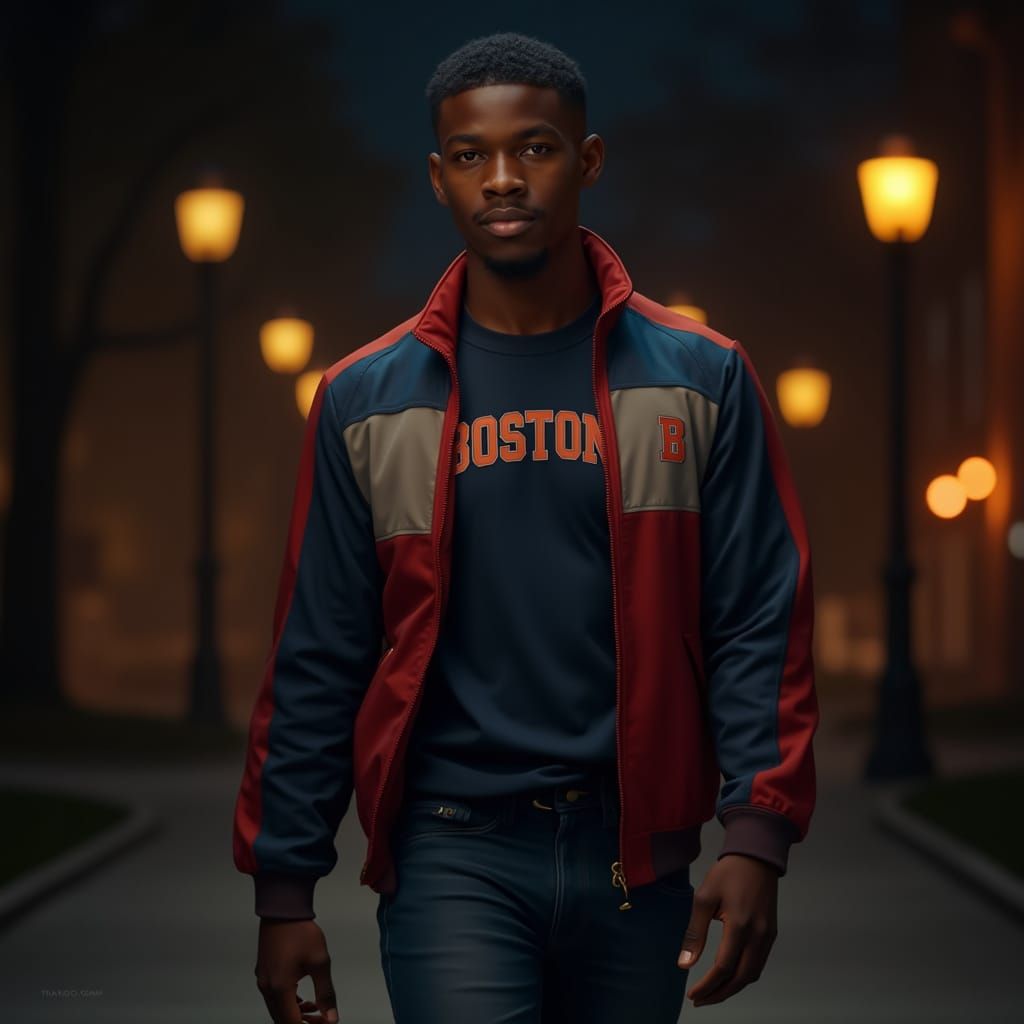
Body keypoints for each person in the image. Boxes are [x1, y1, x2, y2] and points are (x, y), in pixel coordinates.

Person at [233, 30, 819, 1024]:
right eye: (470, 156)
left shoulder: (699, 377)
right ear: (438, 176)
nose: (501, 179)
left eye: (535, 148)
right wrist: (283, 889)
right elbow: (318, 651)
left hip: (637, 856)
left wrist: (756, 836)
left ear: (587, 160)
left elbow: (757, 619)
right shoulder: (362, 399)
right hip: (451, 847)